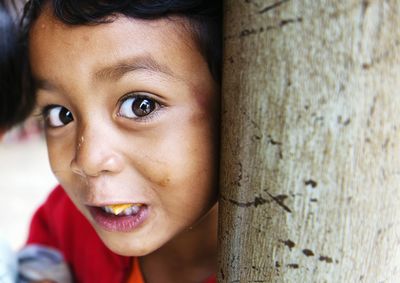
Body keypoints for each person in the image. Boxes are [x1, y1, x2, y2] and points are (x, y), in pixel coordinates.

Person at [22, 0, 222, 282]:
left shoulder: (285, 262)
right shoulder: (64, 226)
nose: (87, 160)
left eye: (141, 105)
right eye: (61, 114)